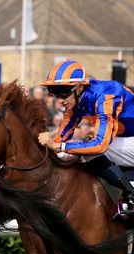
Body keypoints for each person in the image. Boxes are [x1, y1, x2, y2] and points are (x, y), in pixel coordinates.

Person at [37, 58, 134, 220]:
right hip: (126, 140)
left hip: (127, 140)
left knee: (90, 148)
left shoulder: (107, 96)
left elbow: (100, 145)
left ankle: (131, 197)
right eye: (55, 93)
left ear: (80, 87)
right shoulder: (75, 103)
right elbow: (62, 137)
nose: (60, 100)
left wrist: (59, 146)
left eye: (64, 93)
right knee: (72, 152)